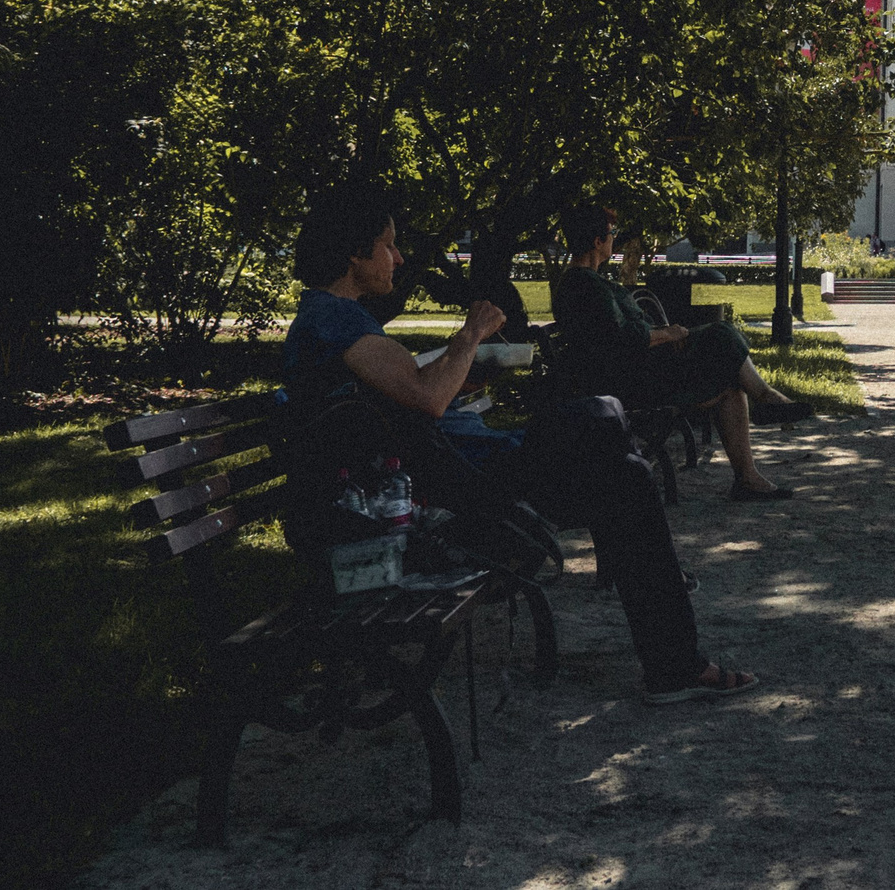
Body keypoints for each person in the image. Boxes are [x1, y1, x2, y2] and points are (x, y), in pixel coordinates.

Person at [284, 184, 756, 704]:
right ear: (355, 253)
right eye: (389, 246)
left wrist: (457, 375)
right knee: (603, 416)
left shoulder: (338, 319)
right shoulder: (332, 319)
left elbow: (408, 397)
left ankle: (675, 668)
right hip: (458, 489)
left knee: (624, 476)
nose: (398, 258)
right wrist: (471, 336)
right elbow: (426, 398)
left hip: (463, 470)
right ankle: (676, 666)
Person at [548, 204, 813, 503]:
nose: (613, 239)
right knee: (720, 332)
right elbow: (622, 338)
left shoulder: (584, 281)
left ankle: (748, 478)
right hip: (628, 384)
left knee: (729, 384)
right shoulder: (584, 284)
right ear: (597, 241)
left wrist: (663, 334)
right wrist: (667, 334)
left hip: (634, 372)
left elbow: (617, 336)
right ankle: (766, 398)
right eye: (611, 234)